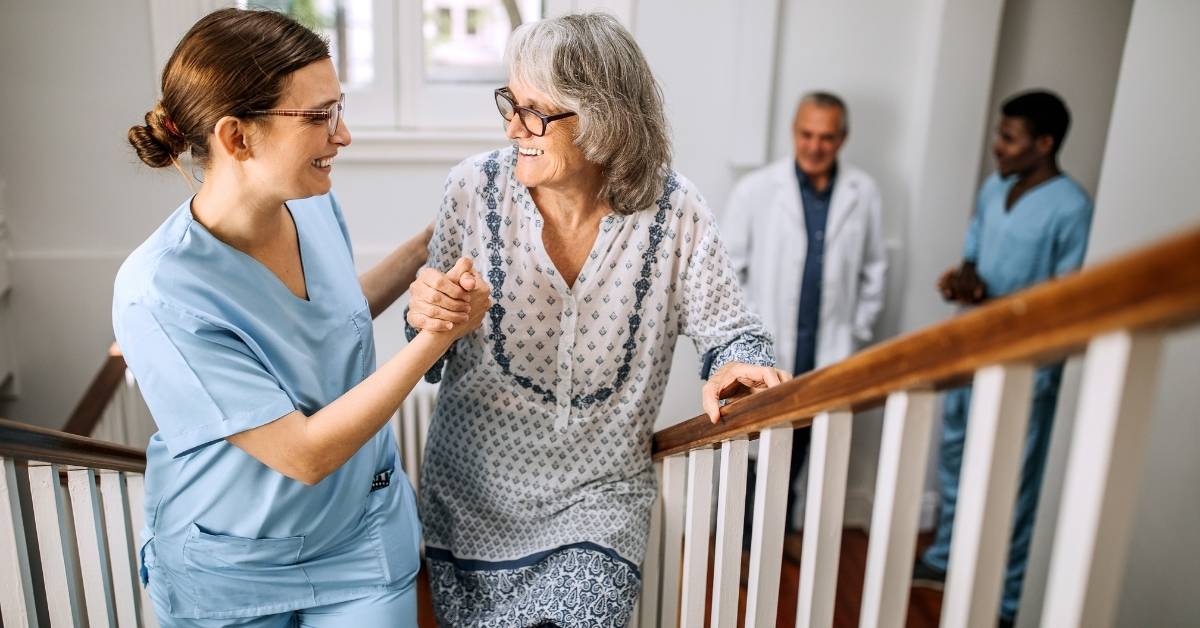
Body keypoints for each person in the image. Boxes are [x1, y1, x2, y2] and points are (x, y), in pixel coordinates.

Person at [403, 13, 788, 627]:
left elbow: (729, 326)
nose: (512, 126)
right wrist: (428, 315)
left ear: (602, 116)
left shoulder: (676, 210)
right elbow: (430, 344)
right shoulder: (472, 189)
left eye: (535, 111)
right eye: (510, 102)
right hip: (471, 499)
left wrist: (740, 359)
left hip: (599, 499)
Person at [115, 9, 488, 626]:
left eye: (338, 109)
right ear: (237, 137)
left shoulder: (312, 206)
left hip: (359, 538)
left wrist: (431, 243)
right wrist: (437, 337)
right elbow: (304, 453)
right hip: (232, 569)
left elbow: (329, 319)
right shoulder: (159, 291)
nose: (342, 137)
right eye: (319, 117)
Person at [914, 90, 1093, 628]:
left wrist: (990, 302)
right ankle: (946, 558)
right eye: (1000, 134)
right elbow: (975, 252)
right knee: (955, 456)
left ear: (1044, 143)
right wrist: (962, 277)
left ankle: (1008, 600)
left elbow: (1068, 294)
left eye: (1010, 138)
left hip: (1026, 365)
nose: (997, 147)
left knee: (1014, 478)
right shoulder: (995, 188)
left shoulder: (1072, 208)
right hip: (968, 349)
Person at [722, 92, 887, 530]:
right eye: (806, 135)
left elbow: (875, 268)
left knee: (807, 458)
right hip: (770, 353)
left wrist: (857, 329)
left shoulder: (862, 192)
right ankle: (742, 552)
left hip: (829, 350)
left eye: (827, 137)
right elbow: (726, 276)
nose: (815, 147)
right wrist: (744, 340)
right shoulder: (755, 191)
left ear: (843, 139)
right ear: (794, 132)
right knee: (756, 464)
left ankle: (785, 541)